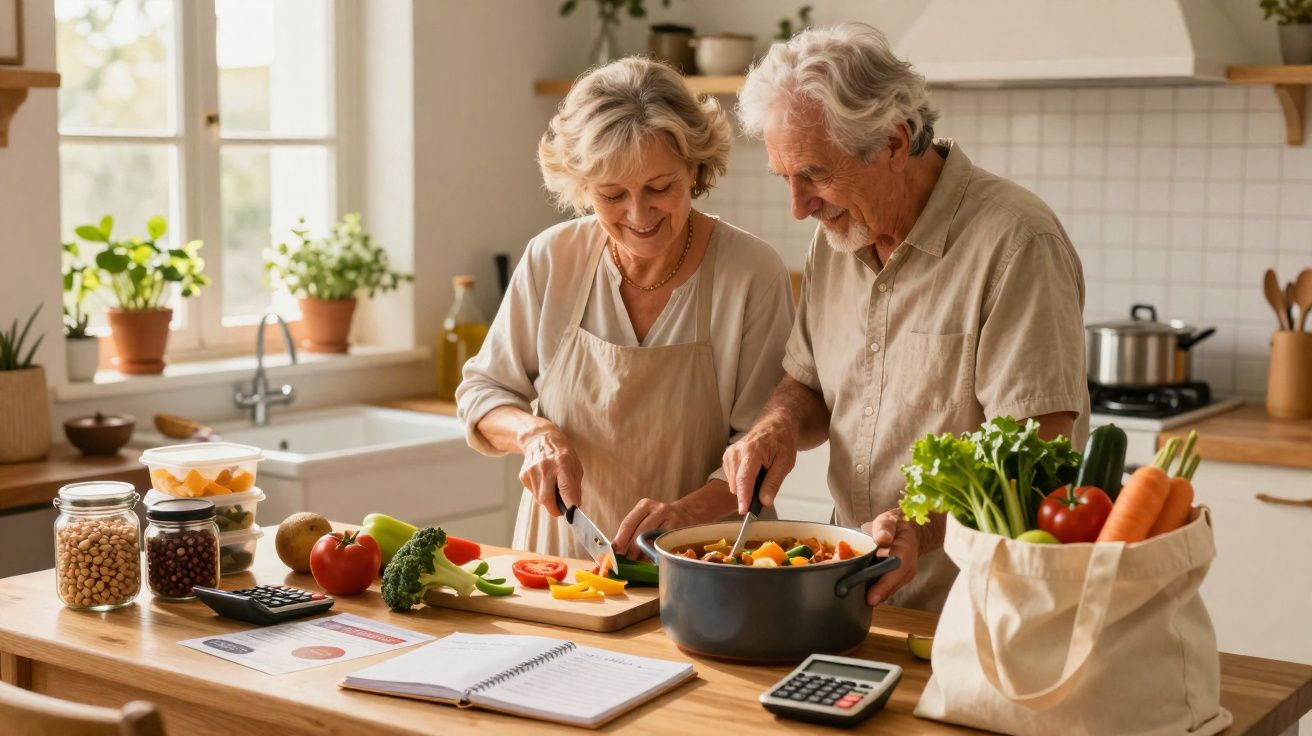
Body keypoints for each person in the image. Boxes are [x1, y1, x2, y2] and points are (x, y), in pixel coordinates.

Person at [723, 23, 1089, 610]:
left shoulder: (1017, 242)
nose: (798, 208)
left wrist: (919, 525)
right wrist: (778, 425)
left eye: (814, 174)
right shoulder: (836, 238)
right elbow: (809, 382)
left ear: (894, 142)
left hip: (981, 611)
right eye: (784, 179)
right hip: (853, 600)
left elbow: (1035, 450)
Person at [457, 57, 795, 561]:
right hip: (560, 564)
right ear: (581, 187)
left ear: (695, 169)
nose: (639, 215)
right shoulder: (553, 258)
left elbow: (761, 450)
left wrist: (684, 516)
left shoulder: (750, 272)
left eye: (660, 188)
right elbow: (482, 392)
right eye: (612, 195)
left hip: (702, 560)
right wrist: (535, 433)